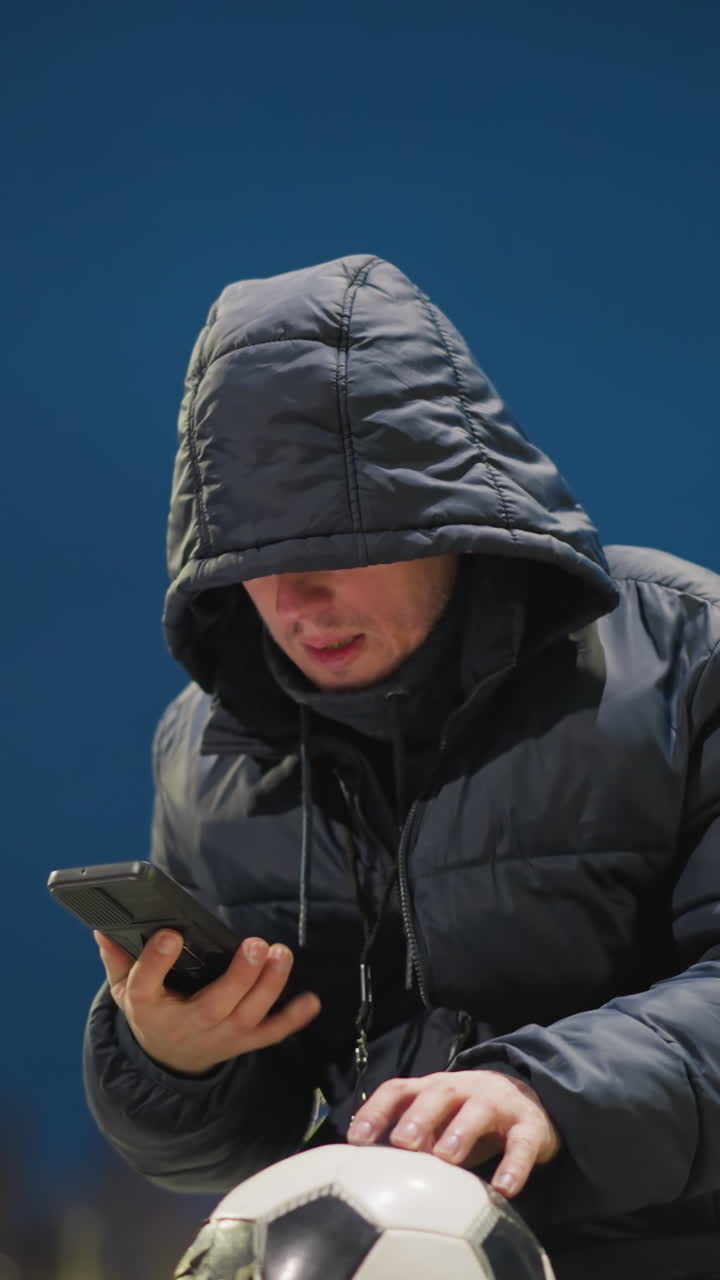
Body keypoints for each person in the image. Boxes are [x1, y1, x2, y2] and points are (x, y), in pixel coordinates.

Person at [84, 255, 720, 1278]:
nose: (294, 602)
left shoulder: (691, 657)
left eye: (332, 546)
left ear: (446, 519)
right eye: (248, 566)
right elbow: (221, 1146)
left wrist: (548, 1090)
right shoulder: (207, 749)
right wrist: (175, 1056)